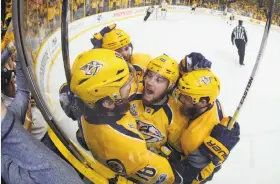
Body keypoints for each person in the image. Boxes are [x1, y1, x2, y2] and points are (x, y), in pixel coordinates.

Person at [70, 48, 181, 183]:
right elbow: (168, 177)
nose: (143, 83)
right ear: (108, 102)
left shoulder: (88, 104)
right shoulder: (127, 144)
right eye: (125, 84)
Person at [1, 56, 84, 184]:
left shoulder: (13, 112)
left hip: (48, 137)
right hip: (40, 145)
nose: (12, 83)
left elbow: (23, 92)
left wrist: (20, 57)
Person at [170, 69, 240, 183]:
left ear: (203, 102)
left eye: (186, 98)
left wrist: (210, 154)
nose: (180, 99)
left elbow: (186, 177)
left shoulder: (195, 138)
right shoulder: (210, 99)